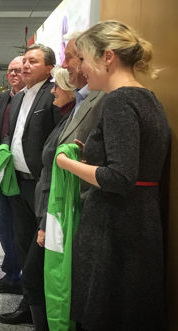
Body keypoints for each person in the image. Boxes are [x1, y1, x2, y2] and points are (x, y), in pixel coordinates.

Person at [55, 21, 170, 330]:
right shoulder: (146, 97)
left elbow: (120, 176)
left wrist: (67, 163)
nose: (78, 68)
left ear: (107, 57)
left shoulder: (119, 100)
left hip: (114, 229)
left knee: (104, 315)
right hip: (138, 224)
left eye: (82, 58)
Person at [0, 44, 59, 325]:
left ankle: (45, 311)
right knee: (23, 244)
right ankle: (28, 302)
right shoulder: (21, 96)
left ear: (49, 67)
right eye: (24, 61)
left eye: (32, 62)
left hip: (40, 184)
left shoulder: (54, 95)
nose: (24, 66)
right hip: (18, 182)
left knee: (41, 251)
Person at [22, 66, 75, 330]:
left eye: (58, 86)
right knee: (35, 275)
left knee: (33, 275)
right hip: (47, 208)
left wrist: (45, 224)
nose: (53, 91)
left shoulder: (72, 120)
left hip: (55, 212)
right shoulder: (66, 119)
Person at [0, 56, 25, 295]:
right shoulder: (3, 98)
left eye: (18, 70)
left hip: (22, 174)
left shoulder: (36, 97)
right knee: (4, 224)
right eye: (10, 70)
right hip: (1, 171)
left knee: (21, 227)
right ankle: (11, 274)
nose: (14, 74)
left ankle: (20, 276)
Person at [58, 35, 105, 199]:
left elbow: (120, 173)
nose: (63, 64)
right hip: (69, 199)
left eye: (69, 57)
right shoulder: (80, 99)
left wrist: (65, 161)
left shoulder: (109, 98)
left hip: (87, 200)